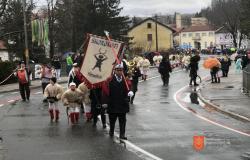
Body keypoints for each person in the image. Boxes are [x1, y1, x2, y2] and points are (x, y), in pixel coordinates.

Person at [107, 64, 133, 140]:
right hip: (113, 103)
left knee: (122, 120)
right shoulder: (110, 79)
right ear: (114, 71)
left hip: (122, 103)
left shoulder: (125, 80)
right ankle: (111, 131)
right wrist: (105, 102)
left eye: (121, 70)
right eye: (118, 70)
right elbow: (106, 91)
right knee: (112, 120)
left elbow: (130, 87)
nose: (119, 72)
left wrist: (130, 92)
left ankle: (122, 134)